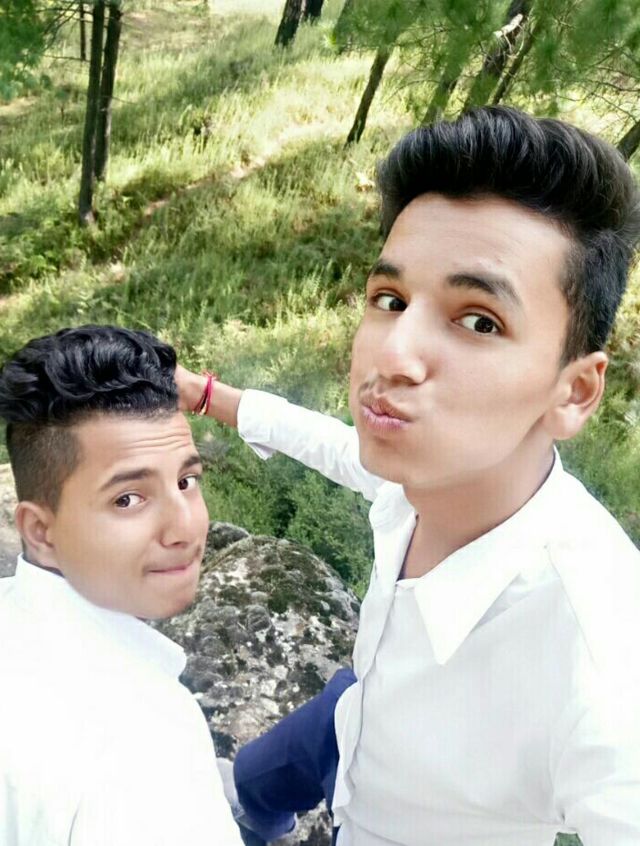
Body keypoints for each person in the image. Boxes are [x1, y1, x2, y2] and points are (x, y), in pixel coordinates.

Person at [177, 106, 640, 846]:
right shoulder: (423, 475)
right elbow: (331, 445)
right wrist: (205, 395)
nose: (393, 353)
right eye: (390, 300)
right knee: (256, 780)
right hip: (353, 716)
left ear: (574, 391)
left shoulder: (600, 653)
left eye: (479, 320)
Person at [0, 325, 243, 846]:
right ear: (40, 532)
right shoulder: (145, 749)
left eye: (186, 482)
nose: (186, 529)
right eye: (128, 499)